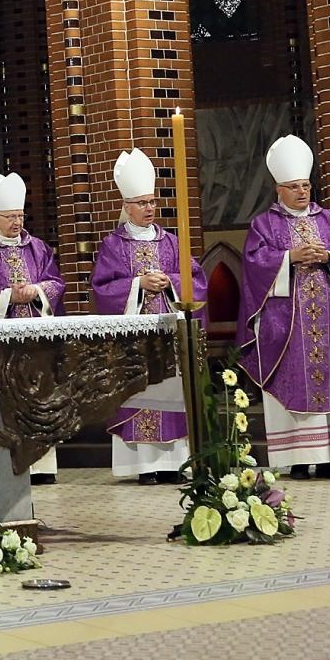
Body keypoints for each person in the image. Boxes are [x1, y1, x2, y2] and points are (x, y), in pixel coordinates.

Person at [237, 135, 330, 480]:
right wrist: (288, 258)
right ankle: (296, 458)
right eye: (294, 186)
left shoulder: (329, 221)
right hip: (287, 324)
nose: (301, 192)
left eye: (306, 185)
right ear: (278, 189)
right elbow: (253, 263)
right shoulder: (264, 224)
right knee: (292, 378)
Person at [91, 148, 209, 484]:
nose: (149, 209)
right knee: (140, 390)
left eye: (153, 202)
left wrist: (170, 283)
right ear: (127, 206)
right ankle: (143, 466)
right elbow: (101, 288)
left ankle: (174, 464)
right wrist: (138, 285)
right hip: (134, 339)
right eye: (142, 203)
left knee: (171, 390)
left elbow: (195, 280)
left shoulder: (171, 242)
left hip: (169, 335)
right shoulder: (113, 245)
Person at [0, 172, 65, 483]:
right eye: (10, 217)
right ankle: (8, 461)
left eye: (20, 216)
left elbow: (56, 282)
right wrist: (7, 295)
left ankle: (43, 467)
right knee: (6, 397)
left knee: (39, 396)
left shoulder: (38, 248)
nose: (17, 222)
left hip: (36, 340)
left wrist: (36, 292)